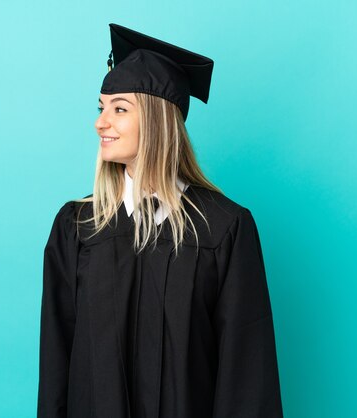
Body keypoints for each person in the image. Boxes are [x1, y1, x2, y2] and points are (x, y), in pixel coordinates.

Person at [37, 23, 284, 418]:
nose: (101, 123)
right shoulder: (79, 227)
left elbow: (246, 376)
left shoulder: (223, 229)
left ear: (156, 120)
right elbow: (55, 368)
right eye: (101, 108)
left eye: (119, 109)